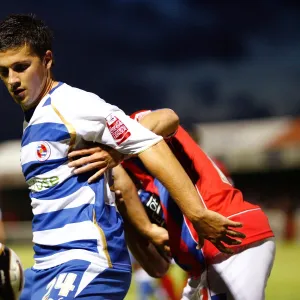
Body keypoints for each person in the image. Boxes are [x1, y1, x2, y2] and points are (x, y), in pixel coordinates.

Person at [0, 14, 244, 299]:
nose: (12, 80)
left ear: (47, 60)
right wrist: (147, 230)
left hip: (86, 265)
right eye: (4, 72)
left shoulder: (71, 105)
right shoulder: (34, 121)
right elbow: (119, 181)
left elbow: (150, 143)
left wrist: (197, 213)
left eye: (21, 67)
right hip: (45, 268)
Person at [69, 109, 275, 300]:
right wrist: (132, 220)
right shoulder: (131, 201)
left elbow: (169, 117)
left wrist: (117, 151)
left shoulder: (127, 132)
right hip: (203, 267)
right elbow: (157, 268)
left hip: (228, 242)